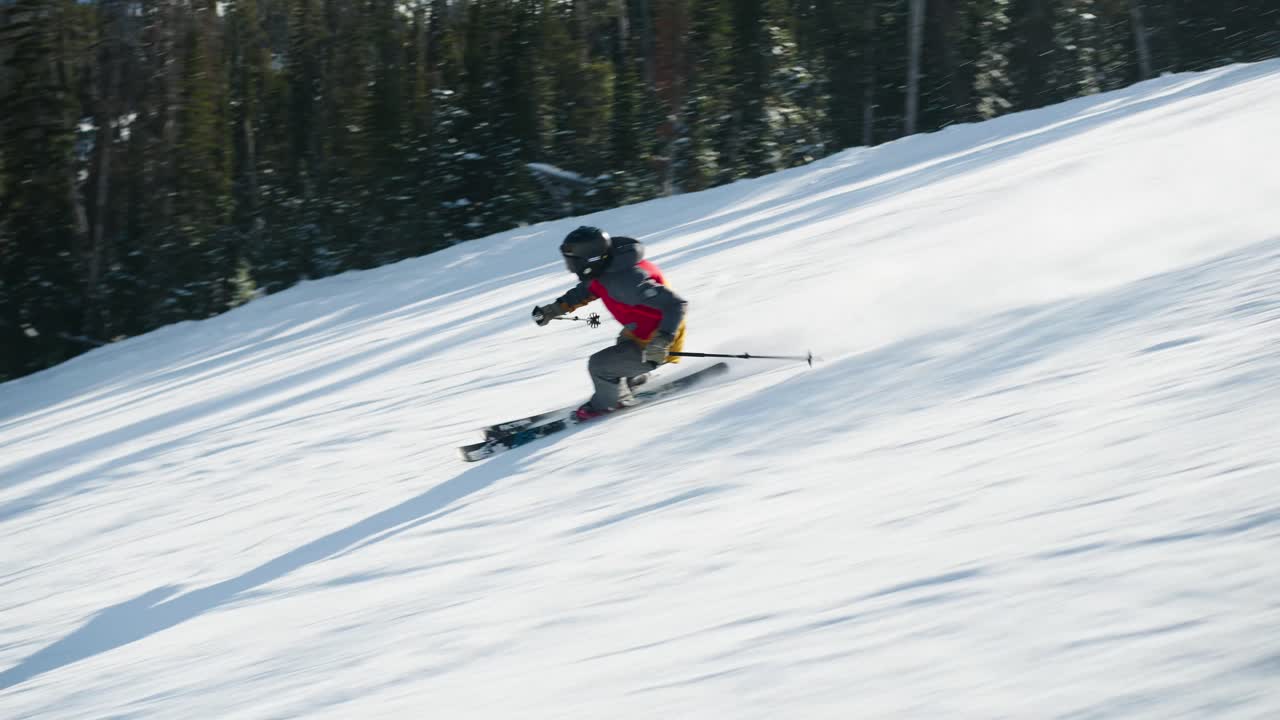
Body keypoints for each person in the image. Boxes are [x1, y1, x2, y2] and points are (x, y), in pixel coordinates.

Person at [533, 226, 688, 421]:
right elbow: (586, 290)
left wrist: (662, 341)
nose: (569, 268)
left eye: (572, 262)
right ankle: (632, 379)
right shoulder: (607, 267)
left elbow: (676, 304)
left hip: (661, 338)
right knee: (621, 349)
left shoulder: (628, 280)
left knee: (600, 366)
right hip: (640, 330)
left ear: (589, 260)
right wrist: (553, 310)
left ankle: (607, 405)